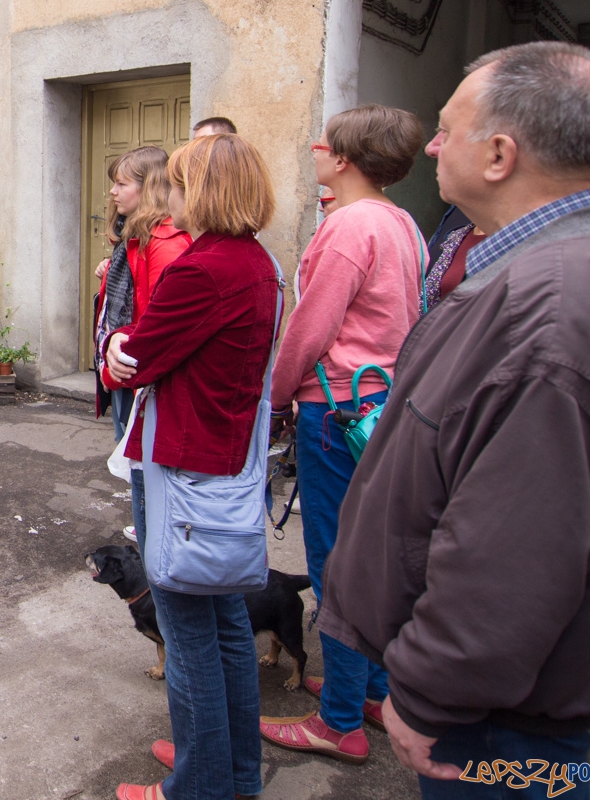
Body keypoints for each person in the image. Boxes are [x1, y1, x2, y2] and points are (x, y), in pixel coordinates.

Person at [319, 42, 590, 800]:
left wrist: (432, 690)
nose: (432, 145)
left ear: (500, 154)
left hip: (495, 716)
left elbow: (515, 548)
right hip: (522, 692)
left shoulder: (556, 307)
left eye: (447, 129)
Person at [102, 133, 279, 800]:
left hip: (183, 465)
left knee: (189, 634)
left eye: (174, 185)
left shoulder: (204, 268)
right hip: (223, 460)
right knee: (225, 621)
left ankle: (198, 784)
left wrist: (121, 345)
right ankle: (233, 773)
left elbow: (138, 356)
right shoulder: (257, 261)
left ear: (200, 191)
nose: (166, 198)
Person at [257, 104, 426, 764]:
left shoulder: (351, 225)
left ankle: (338, 722)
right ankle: (372, 691)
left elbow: (310, 328)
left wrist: (273, 398)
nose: (313, 144)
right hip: (380, 406)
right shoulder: (402, 222)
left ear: (347, 157)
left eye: (325, 140)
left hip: (337, 411)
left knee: (336, 563)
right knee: (367, 558)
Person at [92, 146, 191, 542]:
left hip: (137, 368)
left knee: (142, 461)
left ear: (148, 188)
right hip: (126, 363)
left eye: (121, 184)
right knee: (134, 456)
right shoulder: (136, 239)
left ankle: (154, 543)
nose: (113, 192)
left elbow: (155, 317)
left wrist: (127, 355)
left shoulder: (163, 243)